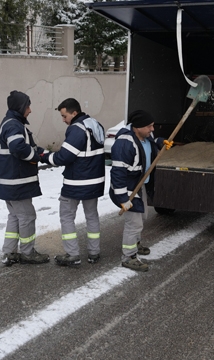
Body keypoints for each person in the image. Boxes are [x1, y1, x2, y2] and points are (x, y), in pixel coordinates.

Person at [41, 98, 106, 266]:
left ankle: (72, 254)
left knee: (67, 216)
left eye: (65, 116)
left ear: (74, 113)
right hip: (95, 181)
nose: (64, 120)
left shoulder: (77, 129)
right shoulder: (96, 125)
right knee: (92, 216)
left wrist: (45, 156)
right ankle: (94, 252)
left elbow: (64, 157)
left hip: (76, 183)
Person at [109, 110, 172, 272]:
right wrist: (123, 198)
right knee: (134, 223)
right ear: (137, 127)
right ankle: (129, 256)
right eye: (149, 126)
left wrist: (160, 142)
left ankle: (135, 243)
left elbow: (151, 141)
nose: (152, 129)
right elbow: (118, 174)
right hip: (128, 190)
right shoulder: (124, 144)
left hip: (140, 184)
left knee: (143, 216)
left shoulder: (144, 136)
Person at [0, 90, 50, 266]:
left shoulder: (12, 123)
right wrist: (35, 157)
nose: (30, 110)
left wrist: (45, 154)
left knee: (15, 216)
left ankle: (9, 252)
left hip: (8, 182)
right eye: (28, 106)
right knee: (27, 216)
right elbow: (18, 147)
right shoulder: (14, 125)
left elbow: (27, 146)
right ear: (20, 107)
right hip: (16, 183)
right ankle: (27, 253)